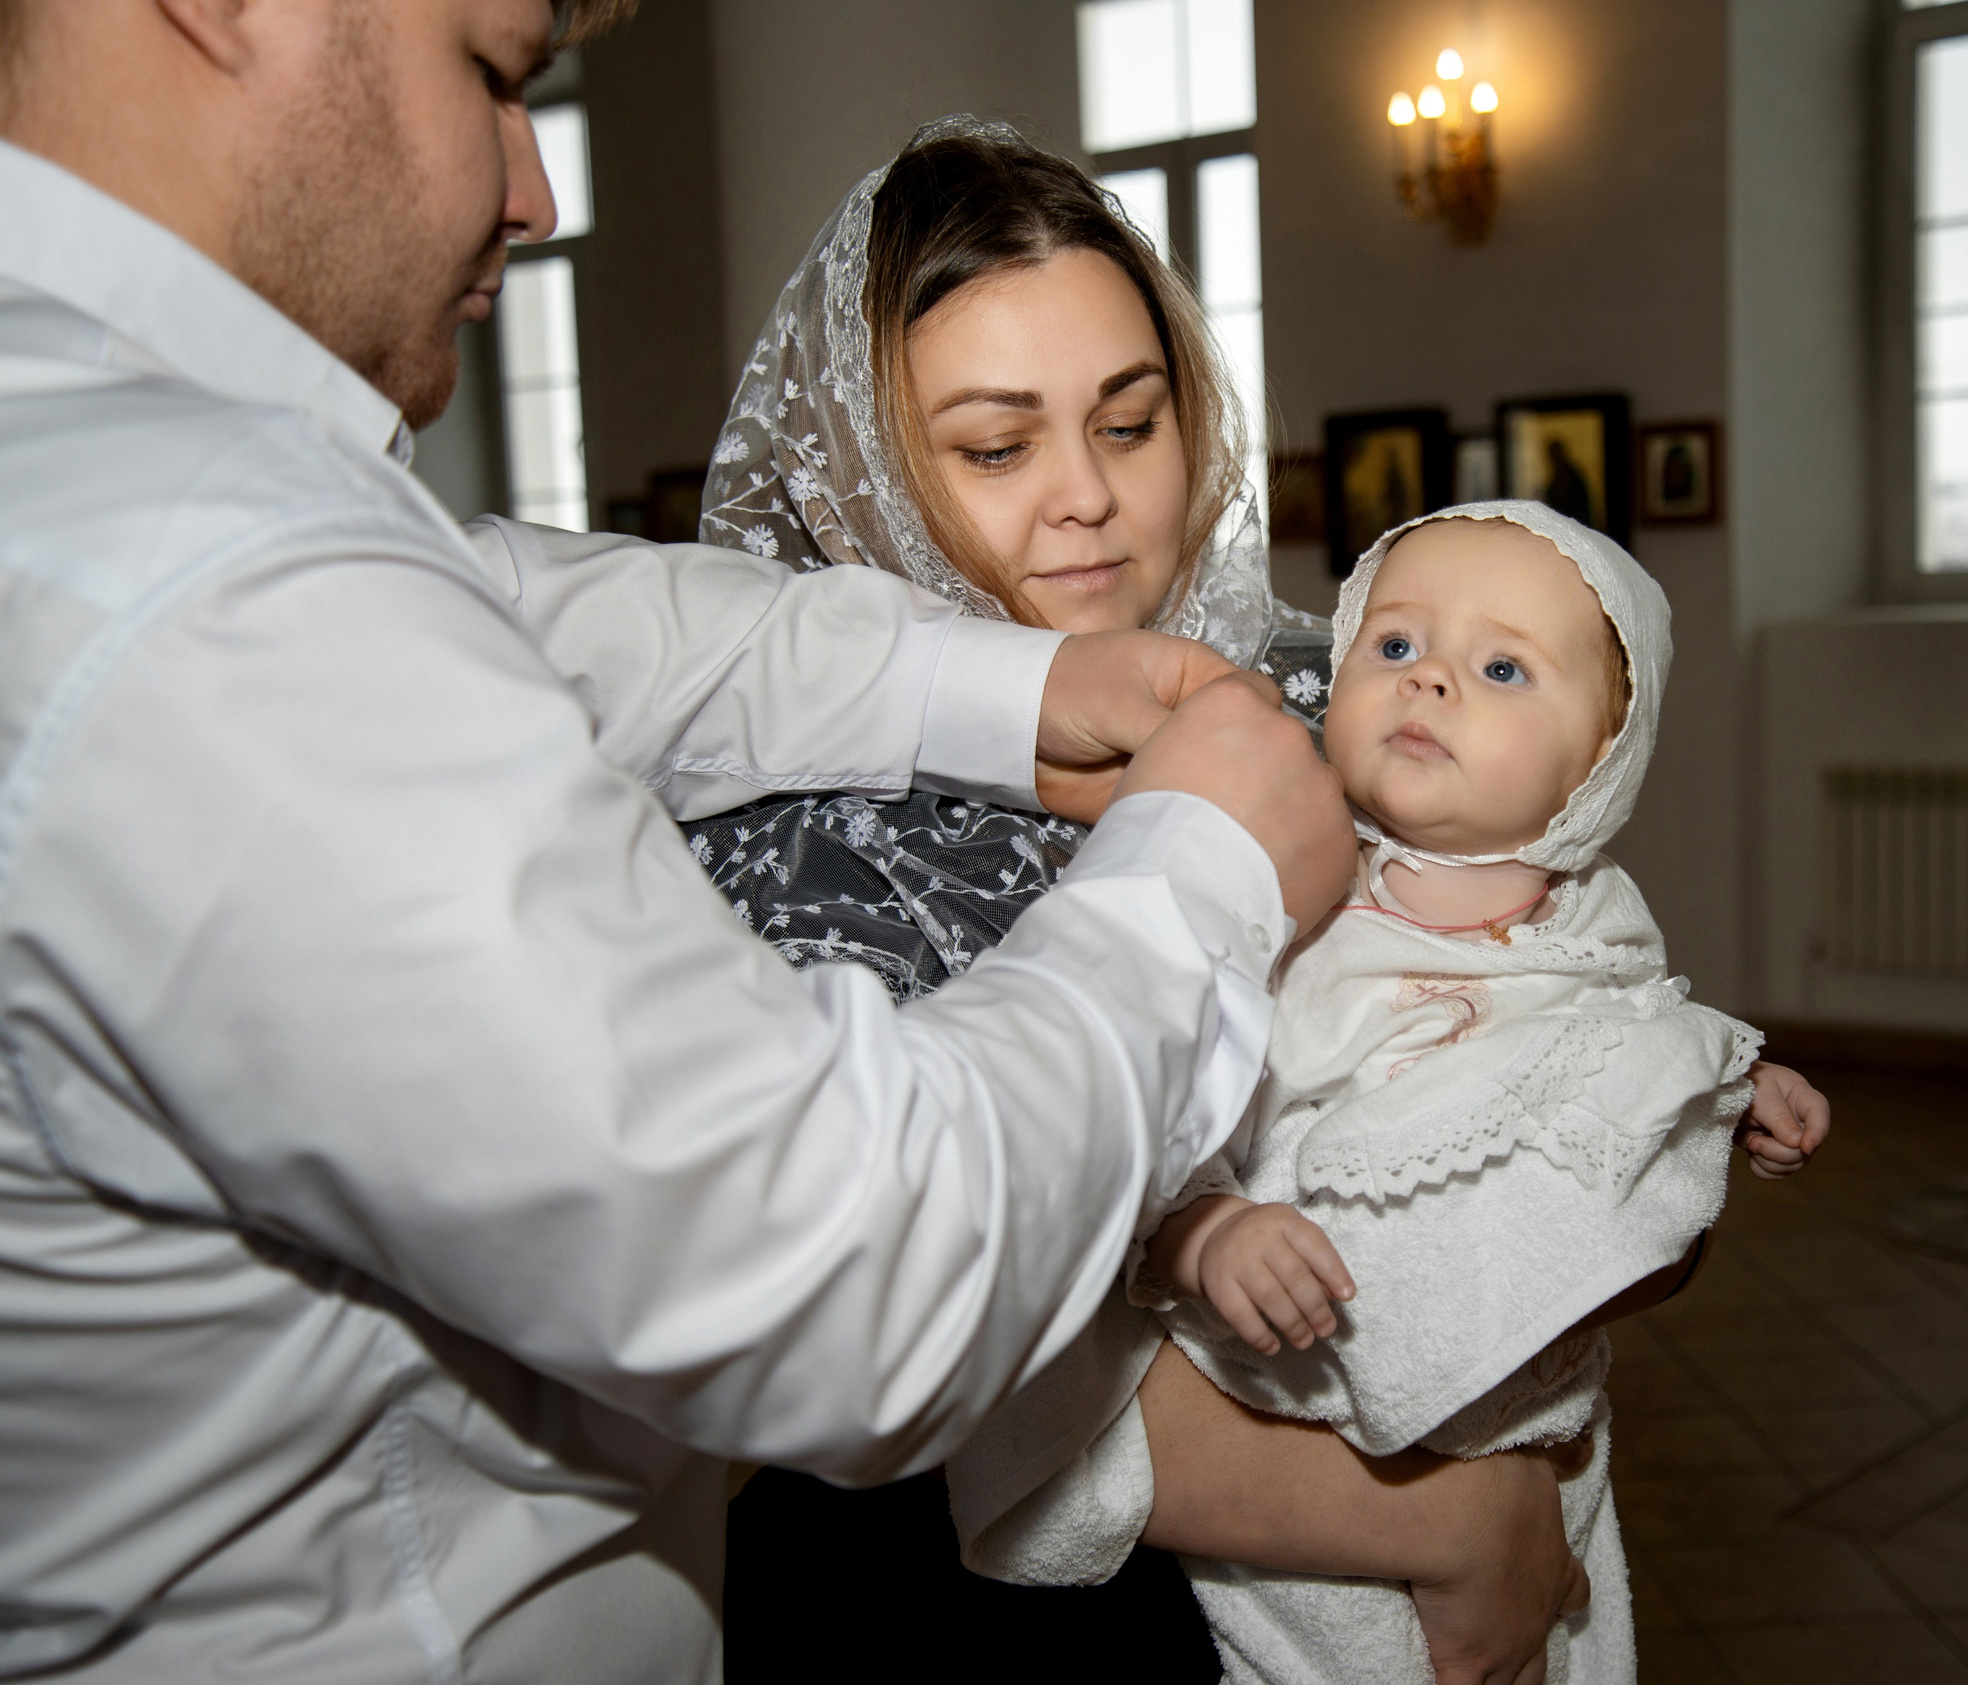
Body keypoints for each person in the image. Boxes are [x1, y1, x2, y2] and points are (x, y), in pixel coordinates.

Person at [0, 3, 1544, 1679]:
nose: (534, 189)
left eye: (1127, 418)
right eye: (494, 72)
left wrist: (1022, 692)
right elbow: (850, 1275)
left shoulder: (161, 485)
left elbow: (553, 609)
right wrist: (1208, 866)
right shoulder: (201, 589)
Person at [679, 121, 1603, 1682]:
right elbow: (917, 1320)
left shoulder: (1333, 686)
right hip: (999, 1606)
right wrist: (1441, 1521)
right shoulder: (795, 844)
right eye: (996, 448)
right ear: (859, 474)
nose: (1089, 499)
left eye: (1129, 420)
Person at [972, 503, 1829, 1683]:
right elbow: (1171, 1078)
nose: (1427, 678)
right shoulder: (1282, 881)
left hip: (1523, 1420)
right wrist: (1203, 1225)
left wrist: (1726, 1090)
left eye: (1501, 667)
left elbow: (1630, 1045)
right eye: (1394, 644)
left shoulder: (1595, 919)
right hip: (1286, 1401)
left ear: (1601, 756)